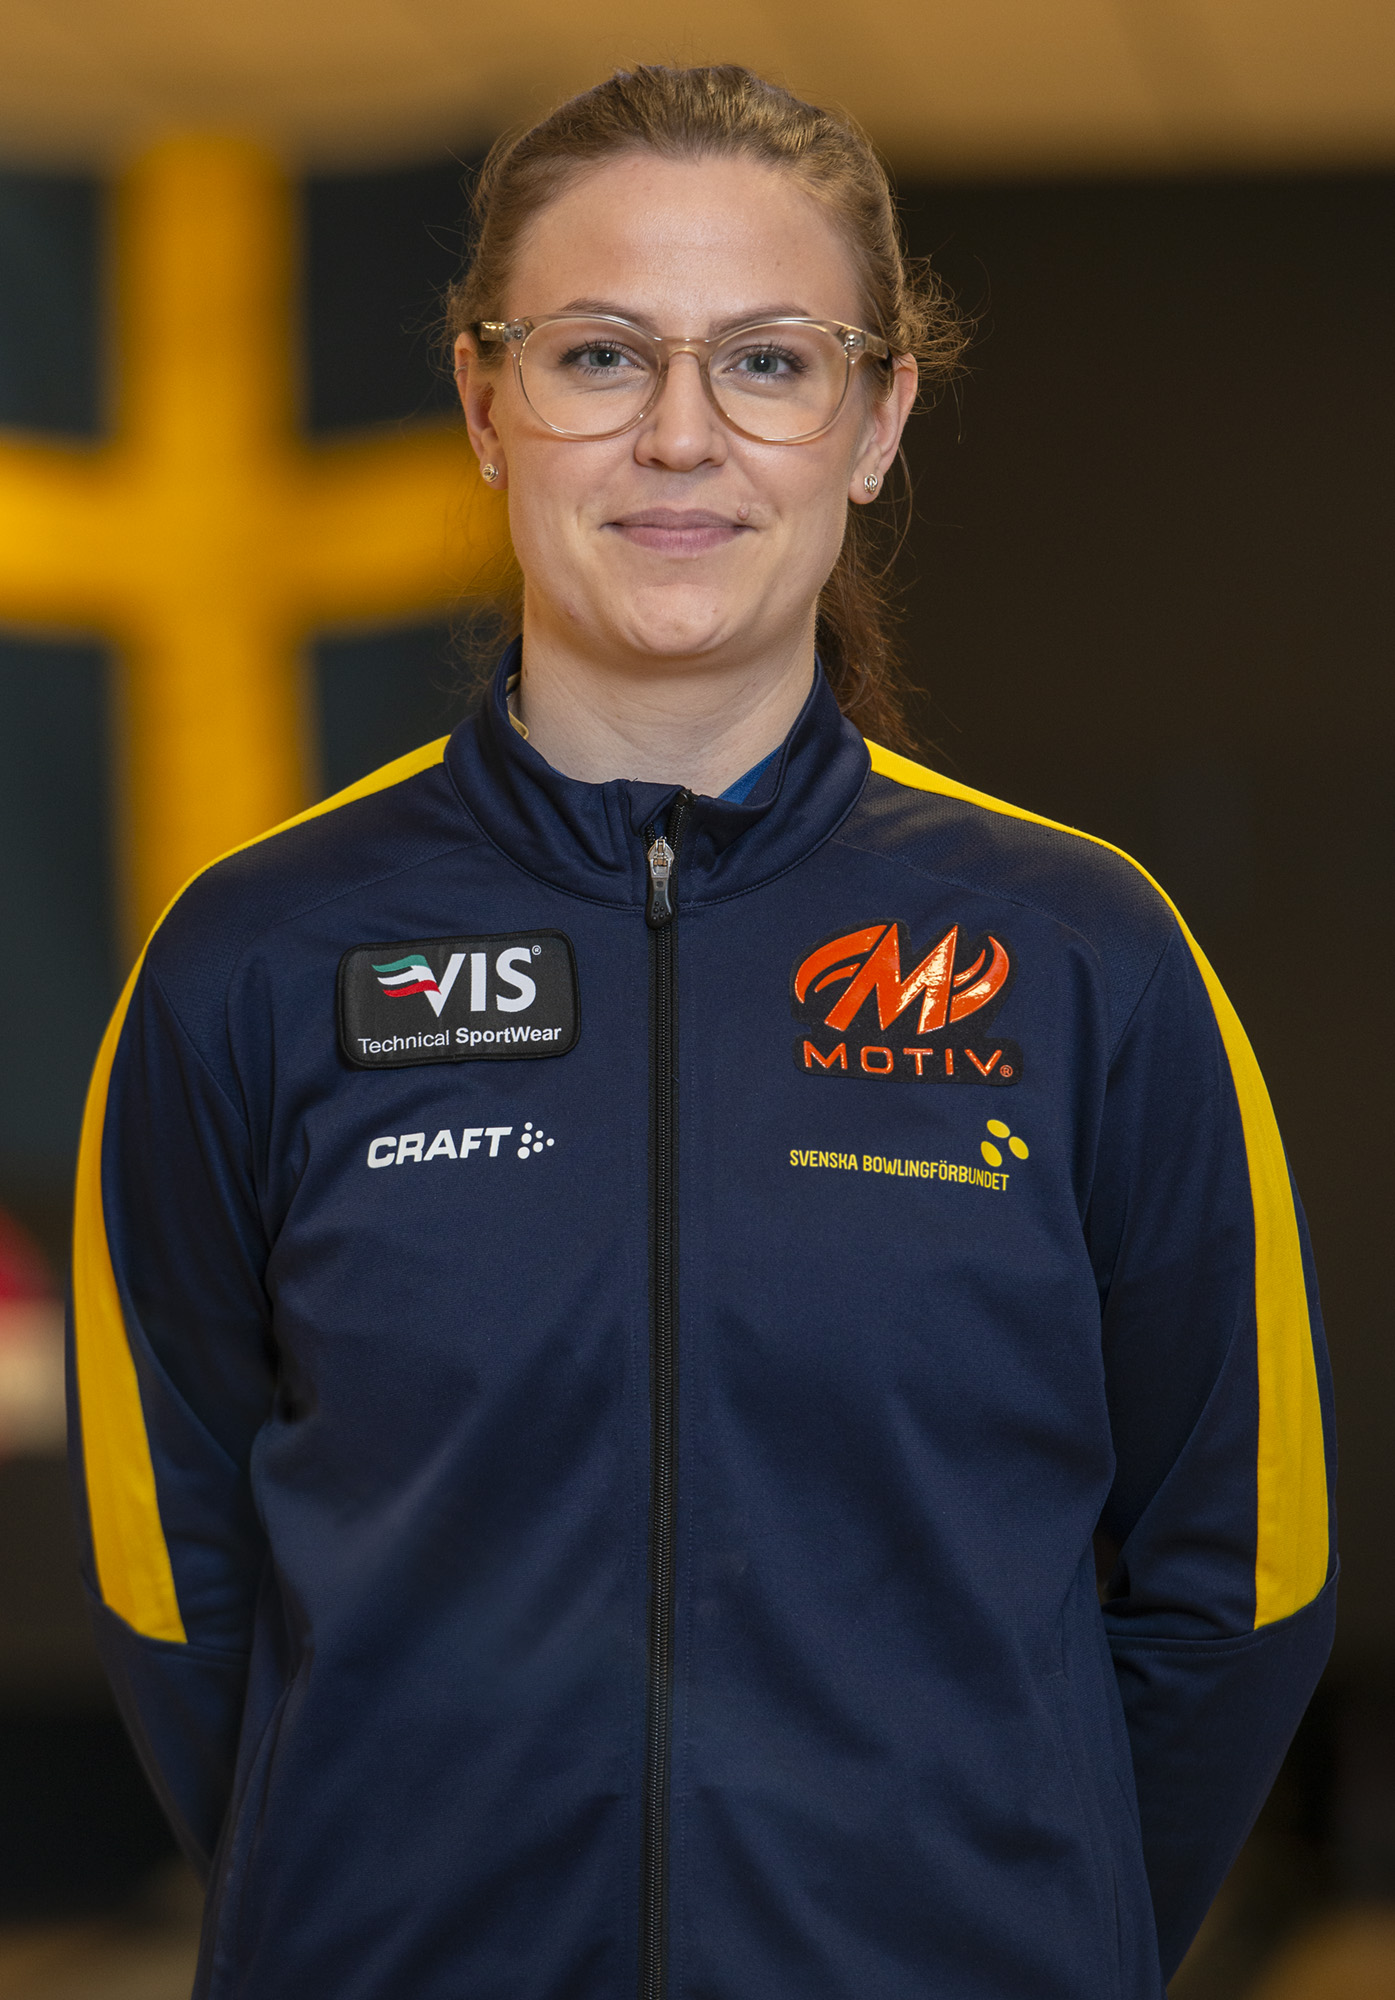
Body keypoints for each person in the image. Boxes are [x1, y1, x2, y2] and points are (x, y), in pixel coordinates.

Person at [69, 64, 1335, 2000]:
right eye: (599, 355)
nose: (680, 435)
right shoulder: (252, 957)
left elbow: (1240, 1578)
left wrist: (1020, 1931)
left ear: (874, 422)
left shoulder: (1087, 959)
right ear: (484, 403)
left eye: (765, 362)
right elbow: (177, 1587)